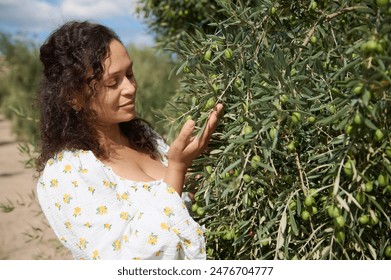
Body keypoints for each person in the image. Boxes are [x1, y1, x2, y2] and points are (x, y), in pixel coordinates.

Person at [36, 21, 222, 260]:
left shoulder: (145, 138)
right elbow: (126, 261)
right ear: (74, 97)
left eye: (130, 74)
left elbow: (185, 208)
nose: (130, 88)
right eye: (113, 82)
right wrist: (177, 167)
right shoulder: (66, 174)